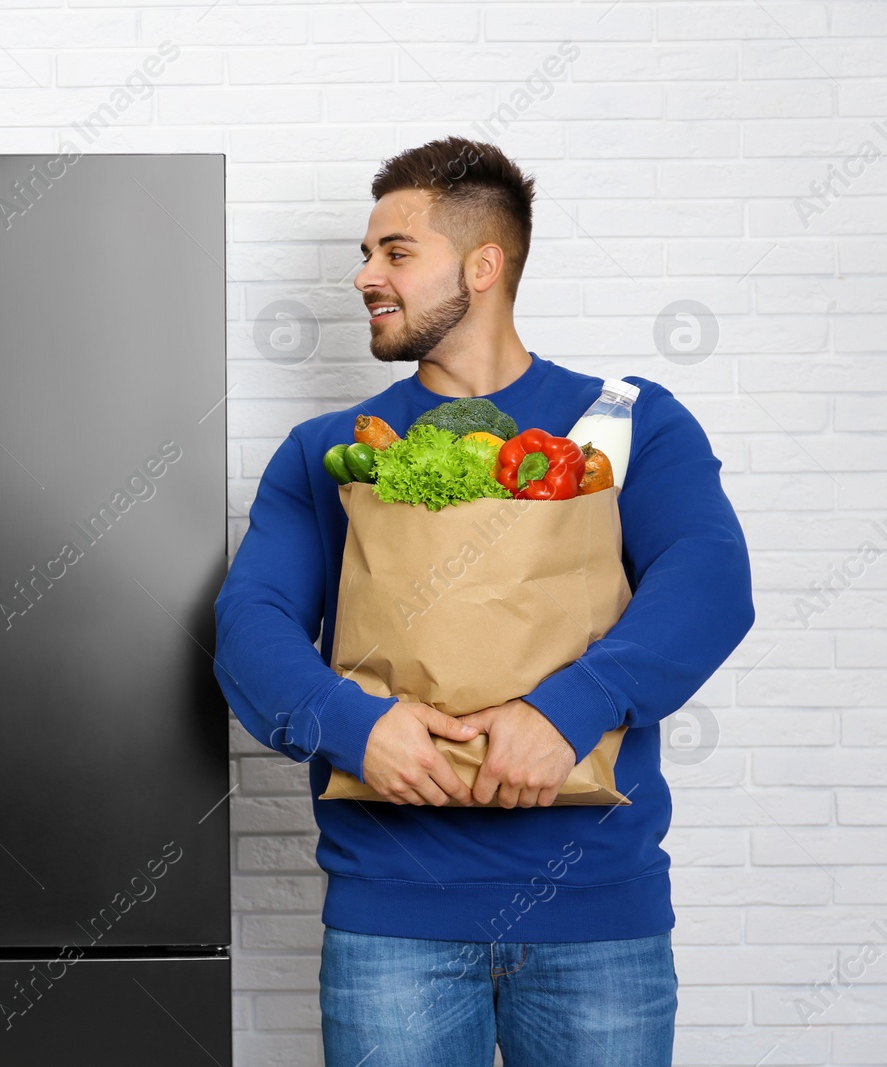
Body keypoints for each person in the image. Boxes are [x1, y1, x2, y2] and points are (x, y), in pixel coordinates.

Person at [213, 136, 755, 1067]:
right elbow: (249, 626)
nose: (363, 277)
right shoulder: (328, 450)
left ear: (484, 264)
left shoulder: (625, 425)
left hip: (600, 915)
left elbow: (708, 581)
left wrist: (567, 711)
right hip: (391, 923)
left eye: (394, 252)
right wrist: (353, 726)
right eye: (364, 252)